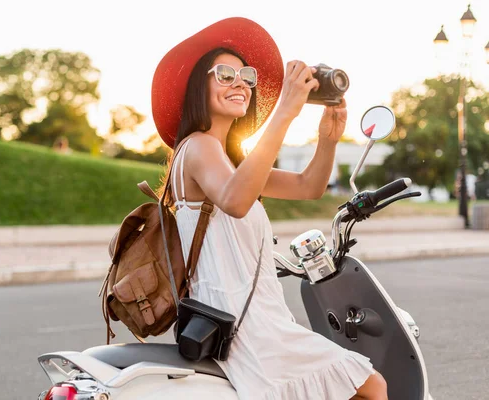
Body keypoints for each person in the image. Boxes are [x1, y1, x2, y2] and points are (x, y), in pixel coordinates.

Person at [151, 17, 388, 400]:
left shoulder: (229, 161)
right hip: (243, 325)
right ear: (199, 85)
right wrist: (286, 111)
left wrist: (327, 139)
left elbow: (308, 186)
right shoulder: (198, 146)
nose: (239, 82)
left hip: (250, 319)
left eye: (245, 75)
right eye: (224, 74)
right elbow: (235, 201)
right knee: (372, 385)